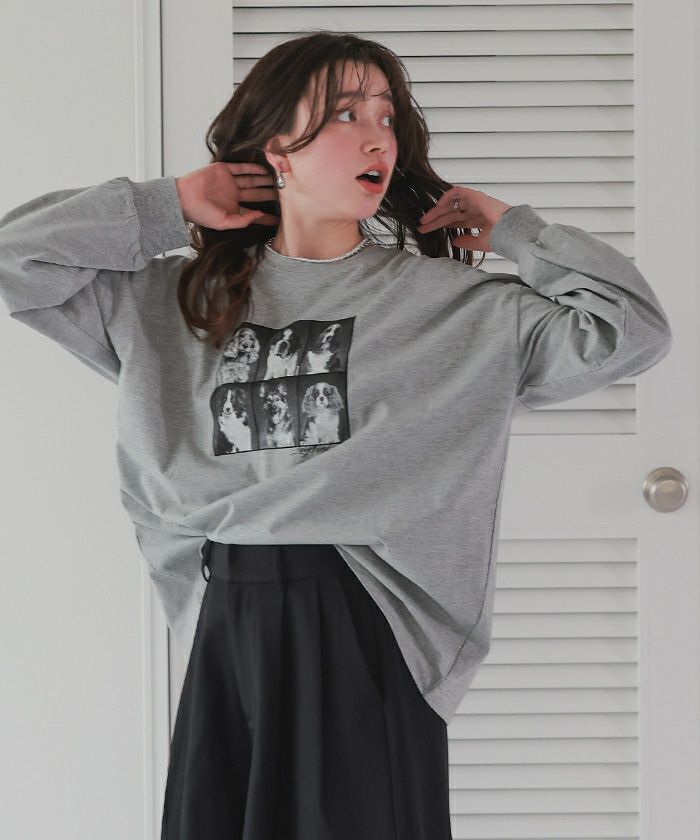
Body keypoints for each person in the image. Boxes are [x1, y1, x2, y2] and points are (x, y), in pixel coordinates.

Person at [0, 29, 672, 840]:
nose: (378, 136)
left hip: (366, 617)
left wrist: (518, 233)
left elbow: (632, 331)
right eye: (345, 113)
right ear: (275, 149)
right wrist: (165, 204)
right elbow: (16, 261)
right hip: (227, 617)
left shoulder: (455, 308)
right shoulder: (171, 301)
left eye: (386, 116)